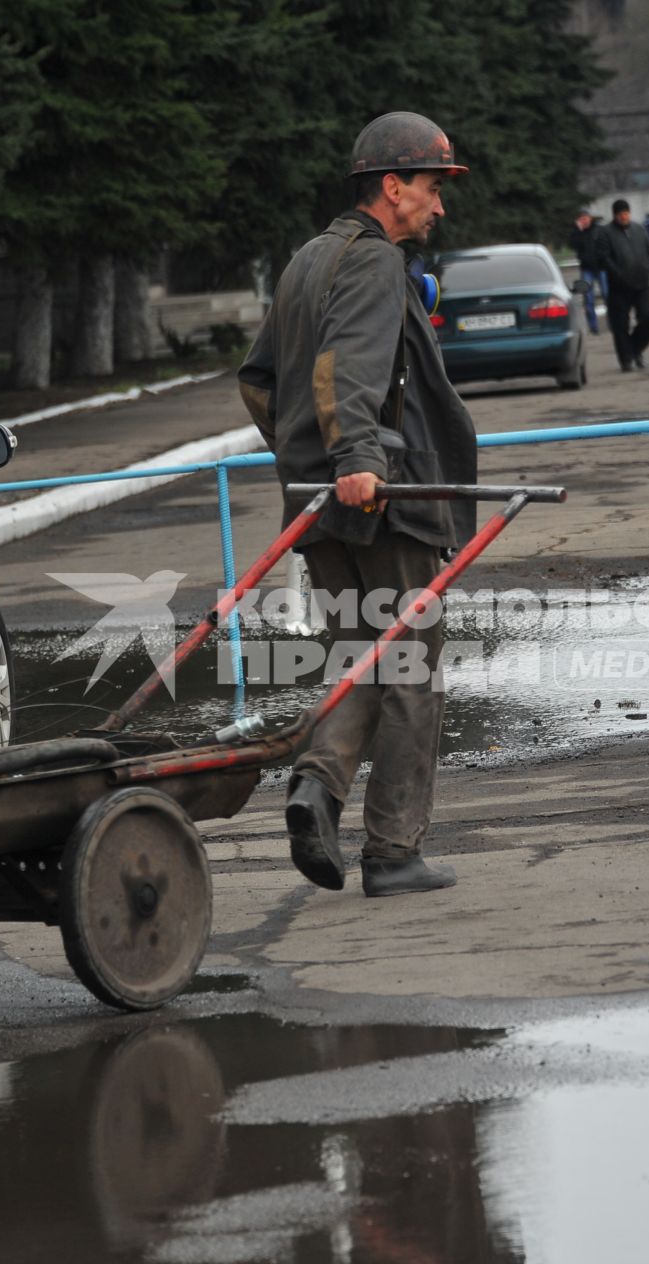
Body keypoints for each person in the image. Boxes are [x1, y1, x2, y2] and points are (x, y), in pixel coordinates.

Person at [236, 111, 478, 899]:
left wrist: (305, 459)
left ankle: (317, 785)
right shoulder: (374, 264)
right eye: (433, 188)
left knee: (362, 659)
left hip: (320, 506)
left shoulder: (308, 259)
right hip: (384, 501)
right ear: (392, 184)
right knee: (411, 669)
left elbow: (258, 379)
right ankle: (392, 849)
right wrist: (358, 460)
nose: (439, 207)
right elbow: (350, 368)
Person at [600, 198, 649, 372]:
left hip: (641, 284)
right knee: (620, 325)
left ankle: (636, 349)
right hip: (619, 287)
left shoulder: (638, 229)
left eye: (626, 213)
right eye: (621, 214)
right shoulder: (606, 233)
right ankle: (626, 360)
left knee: (648, 318)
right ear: (615, 215)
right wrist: (617, 274)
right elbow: (603, 257)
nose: (624, 216)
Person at [567, 210, 604, 335]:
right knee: (588, 299)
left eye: (586, 218)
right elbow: (574, 245)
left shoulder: (598, 230)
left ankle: (614, 322)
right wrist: (578, 230)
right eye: (582, 219)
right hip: (586, 269)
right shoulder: (577, 233)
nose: (584, 221)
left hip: (601, 268)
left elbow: (605, 245)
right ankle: (593, 326)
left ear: (590, 218)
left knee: (608, 294)